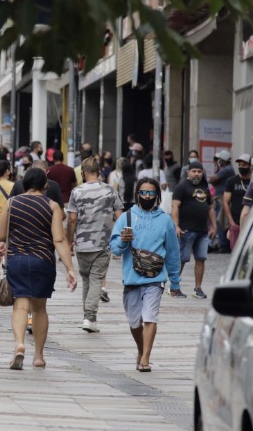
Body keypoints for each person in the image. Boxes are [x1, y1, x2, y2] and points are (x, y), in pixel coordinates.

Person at [0, 168, 76, 370]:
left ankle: (19, 344)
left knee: (21, 305)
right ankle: (39, 356)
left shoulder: (12, 202)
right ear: (45, 186)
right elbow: (59, 238)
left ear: (24, 184)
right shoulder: (52, 206)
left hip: (17, 260)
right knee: (40, 308)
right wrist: (69, 268)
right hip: (43, 260)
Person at [109, 177, 181, 373]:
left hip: (155, 279)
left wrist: (175, 281)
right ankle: (141, 350)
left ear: (157, 195)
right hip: (132, 279)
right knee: (134, 322)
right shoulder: (127, 217)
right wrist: (123, 241)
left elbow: (173, 253)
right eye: (143, 192)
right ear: (137, 194)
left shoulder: (165, 220)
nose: (147, 196)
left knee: (150, 317)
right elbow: (114, 249)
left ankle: (146, 358)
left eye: (151, 193)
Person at [67, 157, 123, 332]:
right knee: (97, 279)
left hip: (82, 243)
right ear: (98, 171)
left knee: (86, 280)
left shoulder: (76, 192)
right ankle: (90, 317)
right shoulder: (110, 191)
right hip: (103, 243)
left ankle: (88, 317)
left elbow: (72, 219)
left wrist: (70, 240)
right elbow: (120, 216)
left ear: (83, 172)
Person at [171, 161, 216, 299]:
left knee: (201, 259)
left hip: (202, 230)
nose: (197, 174)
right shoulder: (182, 186)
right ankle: (174, 287)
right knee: (182, 259)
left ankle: (198, 288)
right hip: (186, 229)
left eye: (199, 171)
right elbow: (175, 207)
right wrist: (176, 226)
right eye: (194, 171)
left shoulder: (205, 187)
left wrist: (214, 226)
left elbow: (210, 208)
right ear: (188, 172)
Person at [223, 154, 252, 250]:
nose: (241, 167)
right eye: (239, 165)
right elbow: (226, 202)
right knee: (235, 252)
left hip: (251, 222)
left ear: (250, 166)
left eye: (244, 165)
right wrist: (231, 223)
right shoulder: (232, 181)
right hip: (236, 222)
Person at [208, 150, 234, 253]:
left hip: (221, 198)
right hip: (220, 197)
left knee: (220, 221)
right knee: (221, 221)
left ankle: (223, 245)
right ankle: (222, 244)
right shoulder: (227, 169)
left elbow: (212, 179)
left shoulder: (226, 169)